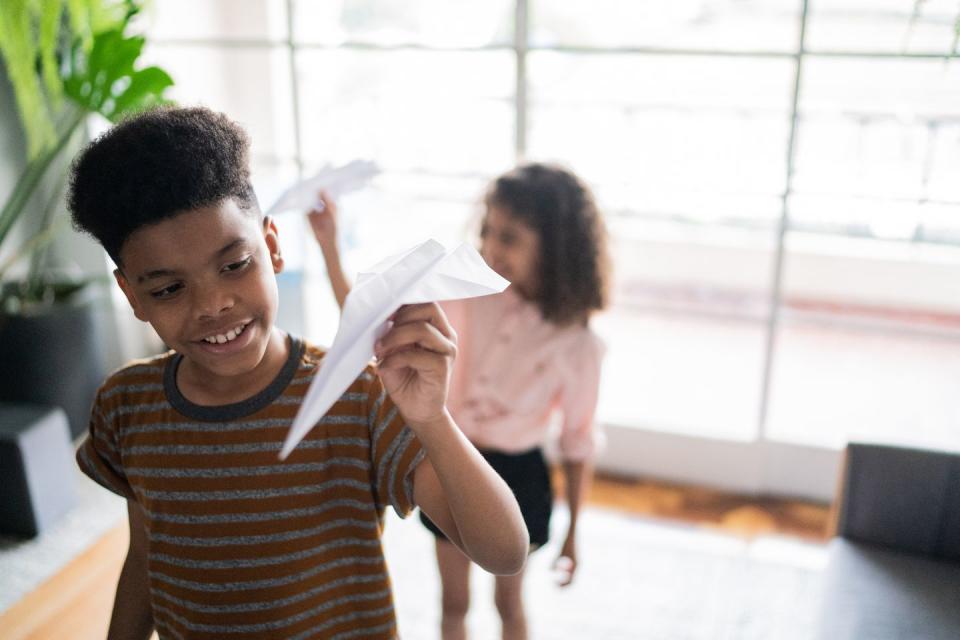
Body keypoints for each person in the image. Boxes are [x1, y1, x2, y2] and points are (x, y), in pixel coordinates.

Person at [67, 106, 528, 640]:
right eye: (168, 288)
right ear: (131, 295)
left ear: (273, 246)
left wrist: (433, 419)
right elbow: (145, 554)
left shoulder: (360, 397)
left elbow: (505, 551)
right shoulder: (126, 406)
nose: (214, 304)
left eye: (235, 264)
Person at [311, 163, 611, 640]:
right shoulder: (461, 293)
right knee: (454, 603)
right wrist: (329, 245)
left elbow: (578, 444)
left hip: (523, 479)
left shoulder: (579, 344)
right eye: (489, 229)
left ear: (556, 249)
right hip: (450, 463)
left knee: (509, 604)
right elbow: (369, 325)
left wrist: (574, 531)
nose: (491, 246)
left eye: (509, 237)